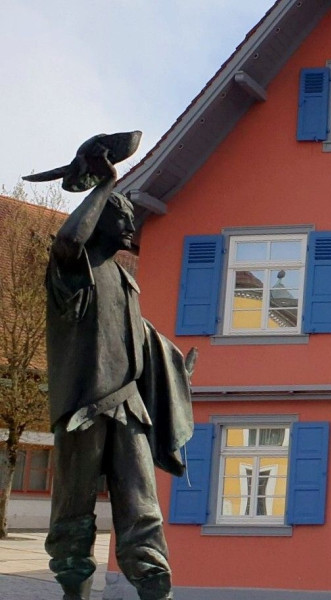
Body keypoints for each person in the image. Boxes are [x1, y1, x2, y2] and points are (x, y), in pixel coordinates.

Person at [24, 132, 194, 600]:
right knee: (73, 514)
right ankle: (74, 592)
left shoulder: (125, 281)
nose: (130, 227)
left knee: (143, 511)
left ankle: (155, 589)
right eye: (122, 217)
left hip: (129, 410)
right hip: (84, 409)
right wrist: (105, 186)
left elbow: (144, 342)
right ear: (99, 219)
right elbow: (67, 239)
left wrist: (176, 371)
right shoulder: (72, 272)